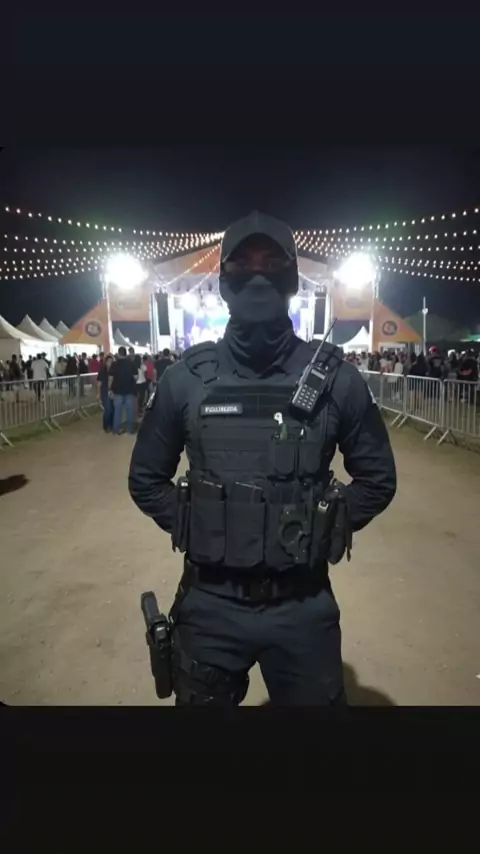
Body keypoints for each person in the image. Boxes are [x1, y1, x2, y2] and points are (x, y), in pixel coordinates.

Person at [129, 211, 397, 707]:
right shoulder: (185, 380)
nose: (257, 276)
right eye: (243, 264)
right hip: (210, 603)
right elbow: (146, 478)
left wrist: (320, 526)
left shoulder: (337, 381)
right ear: (222, 281)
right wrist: (202, 524)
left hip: (302, 604)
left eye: (271, 263)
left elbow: (378, 479)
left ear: (292, 279)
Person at [108, 346, 138, 435]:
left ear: (118, 354)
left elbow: (110, 378)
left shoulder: (114, 364)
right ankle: (129, 429)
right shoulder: (131, 364)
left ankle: (116, 429)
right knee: (129, 411)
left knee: (117, 411)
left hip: (117, 391)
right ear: (126, 353)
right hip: (129, 390)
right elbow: (136, 377)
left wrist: (109, 389)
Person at [97, 354, 114, 432]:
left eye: (111, 361)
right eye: (108, 361)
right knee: (108, 409)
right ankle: (106, 426)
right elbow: (99, 383)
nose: (110, 363)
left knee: (113, 409)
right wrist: (98, 394)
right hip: (105, 392)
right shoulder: (102, 371)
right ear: (106, 362)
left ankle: (111, 424)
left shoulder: (114, 370)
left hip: (113, 392)